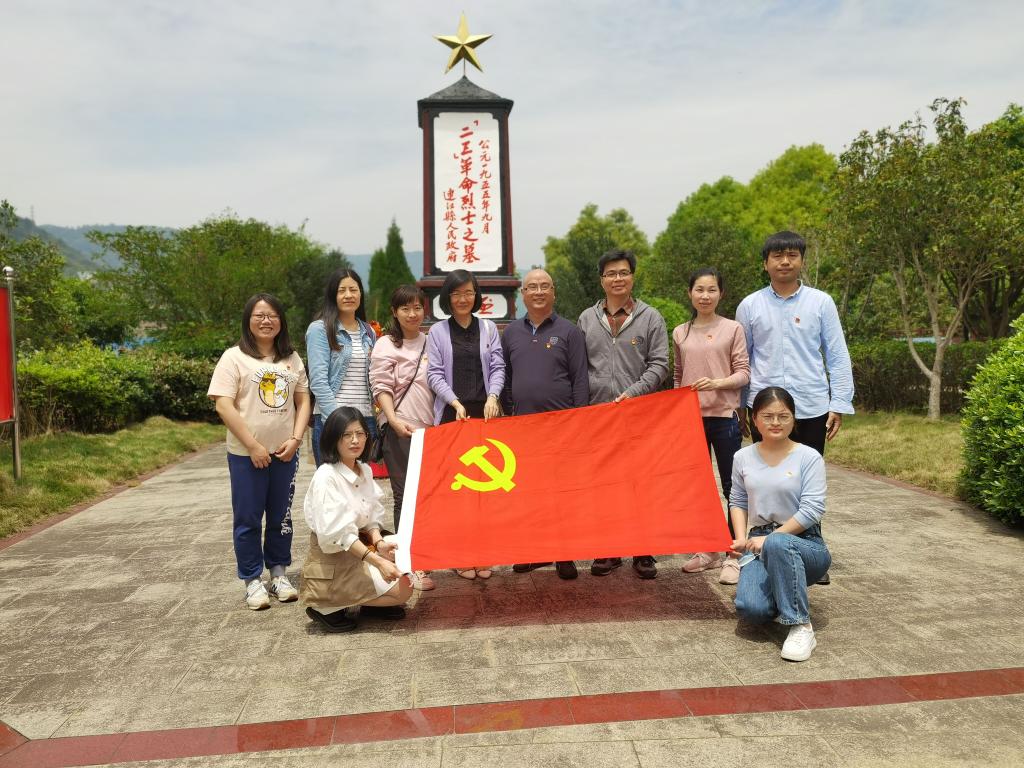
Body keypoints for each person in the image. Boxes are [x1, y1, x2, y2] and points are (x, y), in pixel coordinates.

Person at [735, 231, 853, 583]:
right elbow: (742, 358)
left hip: (811, 405)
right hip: (764, 407)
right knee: (768, 478)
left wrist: (838, 403)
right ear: (765, 263)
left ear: (802, 260)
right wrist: (742, 406)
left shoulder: (821, 302)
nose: (785, 261)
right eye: (777, 256)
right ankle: (763, 548)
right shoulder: (750, 305)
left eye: (792, 255)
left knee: (806, 480)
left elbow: (837, 353)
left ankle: (811, 552)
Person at [208, 293, 311, 610]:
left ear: (281, 321)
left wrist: (296, 439)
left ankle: (279, 573)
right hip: (246, 455)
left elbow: (303, 399)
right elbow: (223, 405)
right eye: (259, 315)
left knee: (281, 517)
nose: (266, 321)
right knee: (248, 518)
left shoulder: (291, 358)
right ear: (248, 320)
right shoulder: (233, 357)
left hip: (284, 453)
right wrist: (252, 446)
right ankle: (252, 580)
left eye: (272, 315)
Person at [578, 249, 669, 579]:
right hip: (599, 416)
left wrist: (633, 393)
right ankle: (609, 549)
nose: (617, 279)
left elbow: (660, 364)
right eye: (611, 274)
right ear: (601, 280)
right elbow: (579, 366)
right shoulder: (587, 319)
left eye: (623, 272)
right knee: (604, 485)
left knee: (640, 483)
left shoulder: (651, 317)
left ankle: (643, 551)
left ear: (632, 276)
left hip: (638, 414)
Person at [730, 386, 830, 662]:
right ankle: (785, 589)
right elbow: (737, 500)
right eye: (768, 416)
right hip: (758, 539)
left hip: (805, 542)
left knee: (779, 543)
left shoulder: (809, 457)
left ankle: (801, 626)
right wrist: (741, 539)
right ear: (754, 419)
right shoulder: (742, 457)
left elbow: (813, 509)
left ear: (793, 419)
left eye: (783, 416)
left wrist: (773, 538)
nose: (776, 422)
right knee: (752, 610)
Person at [502, 268, 590, 580]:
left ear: (553, 292)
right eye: (532, 287)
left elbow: (580, 379)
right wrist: (510, 413)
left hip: (562, 427)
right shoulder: (511, 333)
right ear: (522, 294)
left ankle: (564, 554)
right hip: (524, 428)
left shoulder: (569, 331)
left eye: (544, 286)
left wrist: (579, 421)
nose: (538, 292)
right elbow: (507, 379)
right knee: (529, 493)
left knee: (561, 493)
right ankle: (533, 551)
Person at [299, 407, 414, 633]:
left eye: (360, 434)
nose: (355, 440)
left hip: (361, 546)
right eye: (347, 435)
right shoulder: (326, 476)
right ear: (334, 438)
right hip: (337, 556)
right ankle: (326, 606)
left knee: (405, 568)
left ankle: (368, 601)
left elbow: (371, 516)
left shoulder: (364, 469)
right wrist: (379, 562)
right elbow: (340, 535)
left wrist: (379, 543)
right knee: (403, 590)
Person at [426, 269, 505, 580]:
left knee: (486, 489)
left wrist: (493, 396)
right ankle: (460, 555)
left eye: (468, 292)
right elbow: (434, 374)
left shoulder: (488, 328)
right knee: (458, 490)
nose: (463, 298)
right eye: (457, 293)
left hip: (486, 416)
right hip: (453, 416)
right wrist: (455, 402)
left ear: (476, 295)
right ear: (448, 297)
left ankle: (483, 554)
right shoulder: (437, 332)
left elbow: (498, 367)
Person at [673, 268, 750, 586]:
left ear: (721, 294)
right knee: (698, 488)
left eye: (712, 290)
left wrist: (717, 383)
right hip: (691, 420)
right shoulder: (680, 332)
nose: (705, 296)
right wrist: (676, 410)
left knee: (733, 487)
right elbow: (678, 374)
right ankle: (707, 549)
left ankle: (734, 552)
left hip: (724, 416)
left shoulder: (732, 328)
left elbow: (744, 372)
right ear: (690, 293)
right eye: (699, 290)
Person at [368, 284, 436, 591]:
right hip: (401, 431)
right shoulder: (385, 344)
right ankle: (412, 564)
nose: (412, 314)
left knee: (430, 498)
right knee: (405, 497)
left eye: (417, 307)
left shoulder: (431, 341)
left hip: (432, 432)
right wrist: (393, 420)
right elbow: (381, 386)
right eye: (405, 308)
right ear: (394, 312)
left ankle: (430, 555)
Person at [306, 268, 377, 467]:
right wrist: (340, 421)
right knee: (332, 482)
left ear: (361, 294)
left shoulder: (369, 332)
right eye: (341, 290)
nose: (348, 295)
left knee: (361, 481)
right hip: (332, 421)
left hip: (365, 421)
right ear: (333, 295)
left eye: (353, 290)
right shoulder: (320, 329)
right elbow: (318, 382)